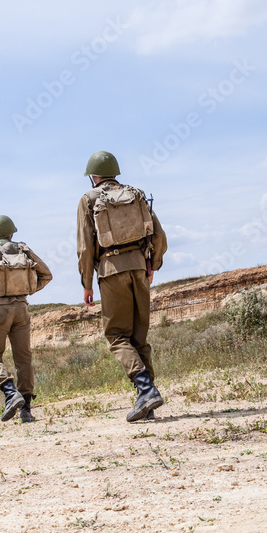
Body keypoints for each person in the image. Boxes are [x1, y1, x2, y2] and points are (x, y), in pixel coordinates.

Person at [77, 150, 168, 422]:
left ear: (93, 176)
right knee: (139, 338)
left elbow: (85, 246)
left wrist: (87, 282)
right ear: (114, 172)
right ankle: (147, 402)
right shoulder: (137, 194)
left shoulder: (88, 199)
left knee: (117, 335)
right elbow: (159, 234)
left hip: (111, 270)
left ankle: (146, 389)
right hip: (140, 268)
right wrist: (153, 265)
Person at [0, 214, 52, 423]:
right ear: (12, 232)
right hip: (21, 308)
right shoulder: (23, 249)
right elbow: (46, 275)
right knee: (23, 358)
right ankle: (26, 409)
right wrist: (26, 290)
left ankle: (10, 393)